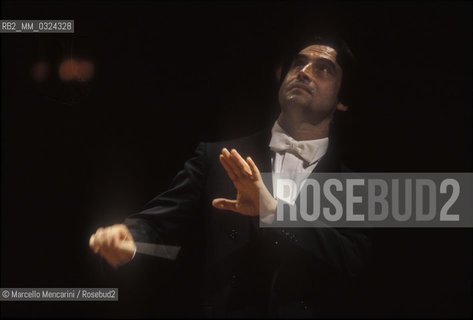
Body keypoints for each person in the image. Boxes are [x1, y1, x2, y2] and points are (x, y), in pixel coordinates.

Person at [89, 32, 372, 318]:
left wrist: (274, 212)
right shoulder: (216, 157)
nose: (304, 72)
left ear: (342, 100)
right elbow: (156, 224)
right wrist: (127, 239)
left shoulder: (354, 183)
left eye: (323, 68)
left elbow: (355, 262)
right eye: (298, 64)